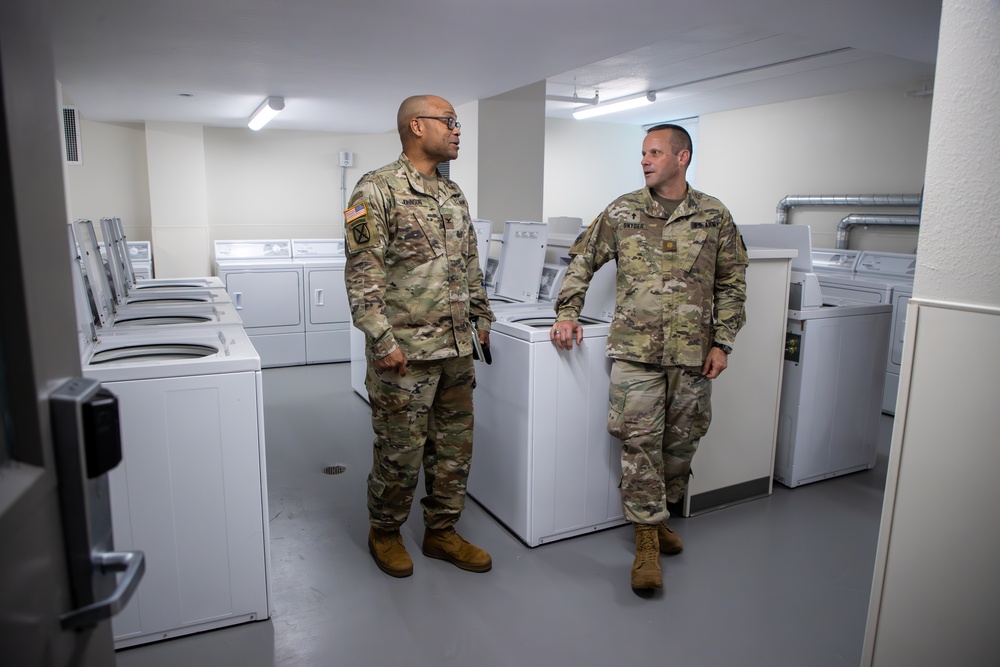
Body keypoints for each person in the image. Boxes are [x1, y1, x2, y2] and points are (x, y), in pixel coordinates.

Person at [550, 124, 748, 592]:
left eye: (655, 152)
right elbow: (582, 259)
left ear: (683, 157)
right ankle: (645, 541)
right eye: (642, 153)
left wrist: (723, 342)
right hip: (636, 354)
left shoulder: (714, 215)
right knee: (639, 445)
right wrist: (566, 312)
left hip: (692, 355)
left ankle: (660, 516)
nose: (644, 160)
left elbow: (732, 283)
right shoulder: (623, 210)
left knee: (681, 445)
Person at [343, 95, 495, 578]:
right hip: (405, 354)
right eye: (448, 122)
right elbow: (362, 272)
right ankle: (384, 531)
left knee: (453, 448)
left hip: (456, 348)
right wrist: (381, 339)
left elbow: (470, 264)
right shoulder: (376, 189)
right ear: (416, 126)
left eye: (457, 123)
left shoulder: (453, 195)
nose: (457, 131)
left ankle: (441, 531)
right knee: (400, 451)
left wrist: (481, 315)